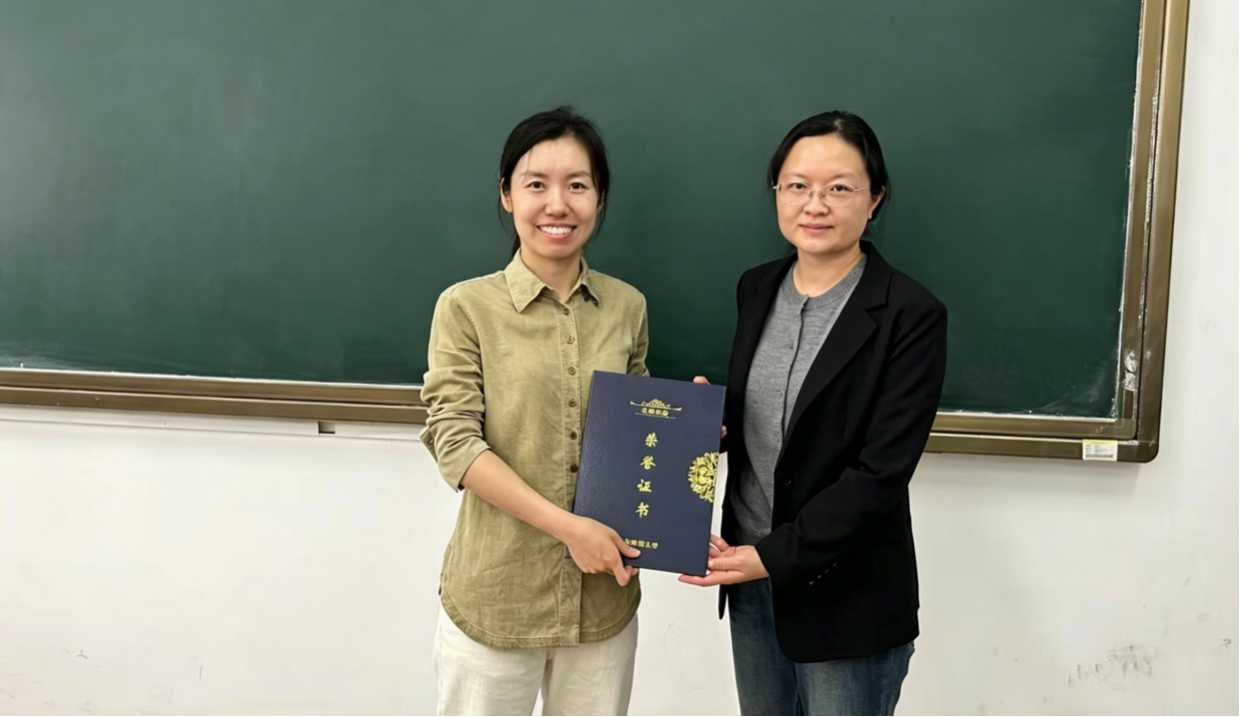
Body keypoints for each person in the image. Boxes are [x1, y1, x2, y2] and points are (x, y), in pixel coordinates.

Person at [680, 111, 947, 716]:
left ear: (875, 199)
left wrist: (770, 556)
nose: (815, 204)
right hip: (750, 580)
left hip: (845, 593)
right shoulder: (757, 288)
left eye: (840, 187)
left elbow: (880, 473)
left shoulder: (910, 313)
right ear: (777, 192)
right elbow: (778, 415)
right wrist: (708, 421)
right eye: (797, 185)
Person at [420, 106, 649, 716]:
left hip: (604, 597)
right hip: (498, 596)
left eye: (577, 185)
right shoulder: (465, 308)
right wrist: (570, 530)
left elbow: (635, 433)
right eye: (536, 184)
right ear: (507, 195)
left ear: (600, 197)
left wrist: (688, 427)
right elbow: (456, 445)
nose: (558, 204)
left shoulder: (626, 307)